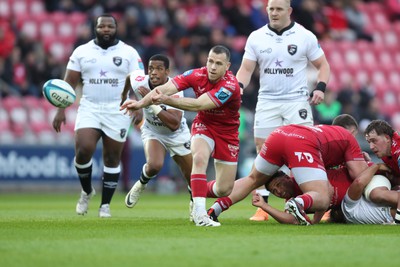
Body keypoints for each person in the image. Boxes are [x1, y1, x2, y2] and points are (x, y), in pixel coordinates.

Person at [121, 45, 241, 227]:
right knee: (199, 159)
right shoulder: (195, 74)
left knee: (224, 189)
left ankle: (196, 189)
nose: (213, 67)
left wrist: (166, 100)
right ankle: (200, 214)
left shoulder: (230, 86)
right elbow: (163, 90)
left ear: (227, 66)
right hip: (204, 125)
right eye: (210, 61)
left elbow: (199, 104)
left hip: (227, 132)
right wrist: (137, 105)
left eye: (218, 63)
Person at [235, 0, 331, 221]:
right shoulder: (256, 37)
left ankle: (319, 202)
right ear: (266, 11)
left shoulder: (304, 36)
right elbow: (246, 69)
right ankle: (262, 205)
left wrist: (320, 88)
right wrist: (238, 87)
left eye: (279, 9)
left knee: (307, 150)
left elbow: (323, 65)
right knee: (262, 150)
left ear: (289, 11)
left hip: (296, 101)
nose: (274, 13)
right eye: (271, 9)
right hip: (267, 101)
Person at [52, 14, 144, 218]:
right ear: (95, 28)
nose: (106, 29)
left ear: (116, 28)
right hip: (90, 107)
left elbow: (138, 80)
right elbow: (69, 84)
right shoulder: (82, 51)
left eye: (110, 26)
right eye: (102, 26)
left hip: (118, 108)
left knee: (112, 157)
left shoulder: (128, 52)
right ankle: (86, 191)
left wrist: (139, 104)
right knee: (83, 150)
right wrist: (60, 110)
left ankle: (105, 206)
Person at [207, 123, 369, 226]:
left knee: (252, 179)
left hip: (279, 134)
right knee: (322, 196)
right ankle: (298, 203)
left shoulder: (329, 133)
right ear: (353, 131)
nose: (278, 192)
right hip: (303, 141)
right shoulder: (349, 138)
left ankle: (214, 209)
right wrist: (367, 162)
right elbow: (359, 174)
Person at [120, 54, 193, 218]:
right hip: (153, 130)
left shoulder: (175, 90)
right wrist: (125, 98)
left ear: (167, 71)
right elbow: (129, 77)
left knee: (192, 177)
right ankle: (140, 184)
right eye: (151, 68)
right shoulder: (140, 81)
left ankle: (194, 204)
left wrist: (150, 104)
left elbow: (174, 124)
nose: (153, 72)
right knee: (154, 165)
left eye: (159, 69)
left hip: (177, 135)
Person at [333, 162, 398, 224]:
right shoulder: (349, 210)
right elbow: (359, 182)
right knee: (391, 213)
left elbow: (359, 182)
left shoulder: (348, 206)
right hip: (389, 212)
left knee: (376, 195)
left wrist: (378, 166)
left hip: (376, 184)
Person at [364, 120, 400, 224]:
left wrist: (398, 221)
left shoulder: (398, 152)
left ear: (387, 138)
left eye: (374, 141)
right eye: (369, 142)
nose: (371, 147)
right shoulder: (387, 152)